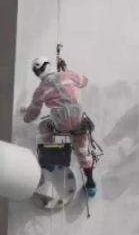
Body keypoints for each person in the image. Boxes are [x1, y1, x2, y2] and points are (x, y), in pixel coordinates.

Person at [23, 57, 97, 197]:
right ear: (49, 65)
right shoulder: (69, 75)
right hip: (78, 121)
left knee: (44, 127)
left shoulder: (41, 90)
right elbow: (84, 81)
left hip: (60, 125)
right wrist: (66, 71)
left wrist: (26, 118)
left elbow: (32, 113)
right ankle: (90, 183)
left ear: (38, 73)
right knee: (82, 150)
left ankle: (52, 159)